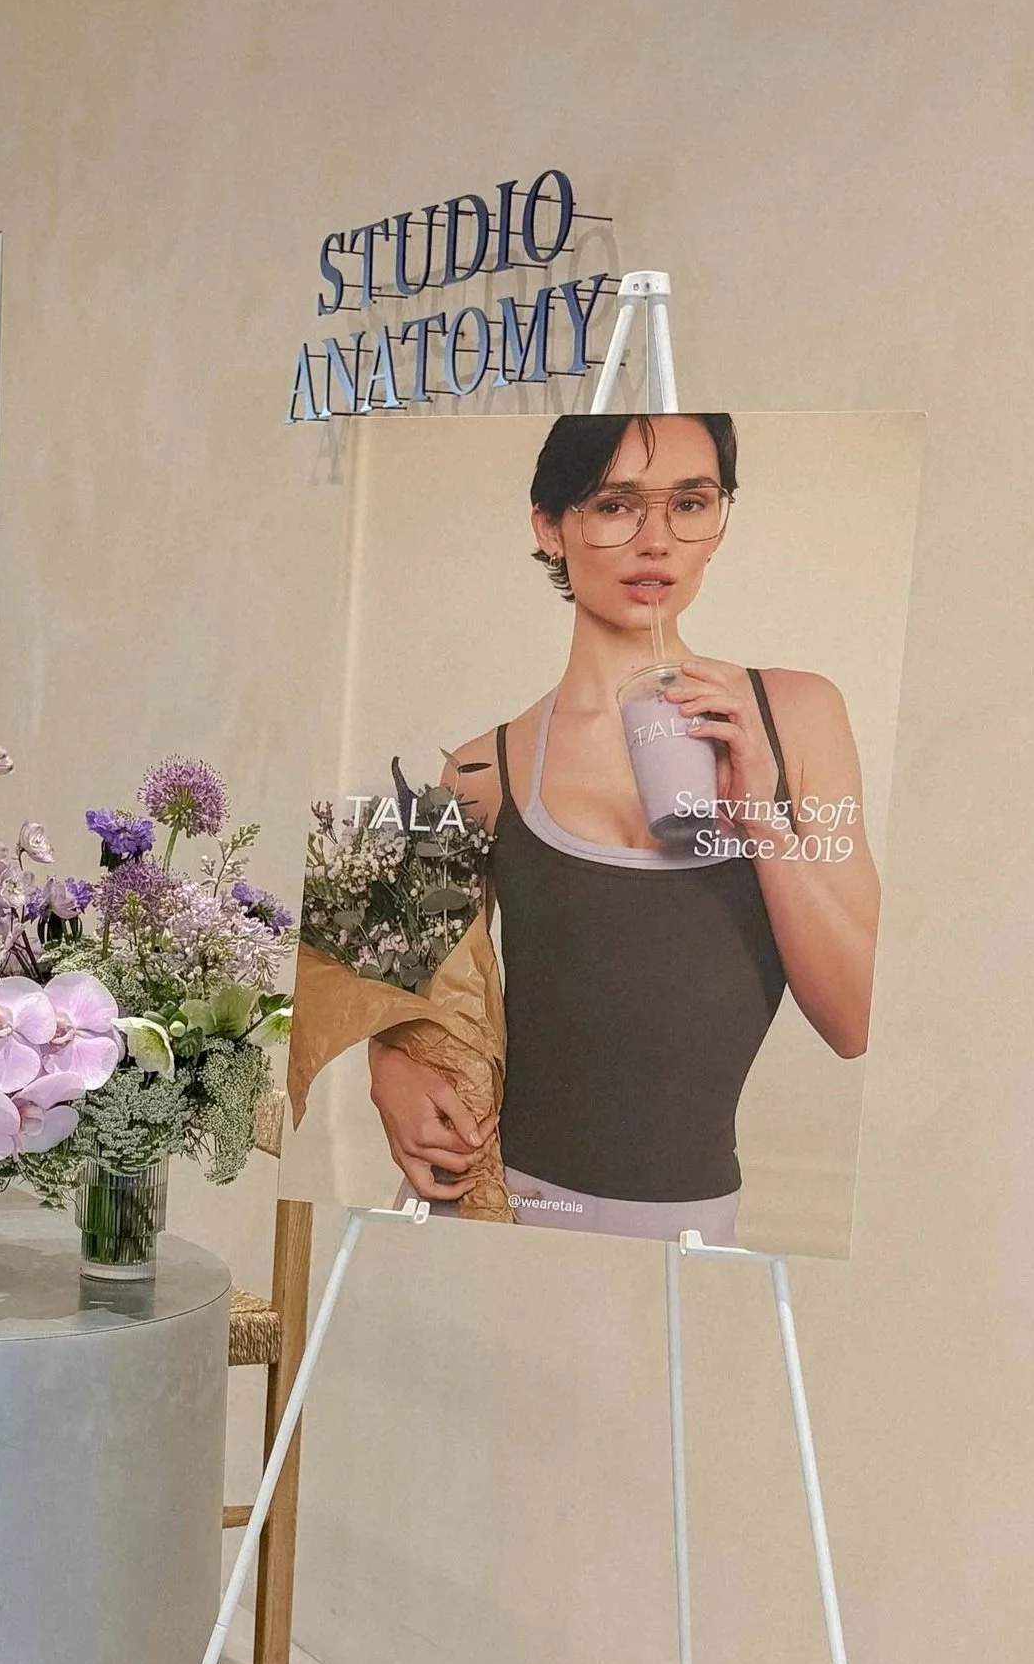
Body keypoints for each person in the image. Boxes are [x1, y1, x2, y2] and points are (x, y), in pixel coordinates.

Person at [368, 413, 879, 1245]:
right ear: (548, 527)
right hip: (492, 1204)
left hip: (688, 1225)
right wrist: (385, 1068)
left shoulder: (797, 717)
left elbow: (854, 1022)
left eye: (689, 503)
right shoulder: (477, 769)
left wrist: (756, 812)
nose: (656, 541)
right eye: (614, 506)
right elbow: (385, 984)